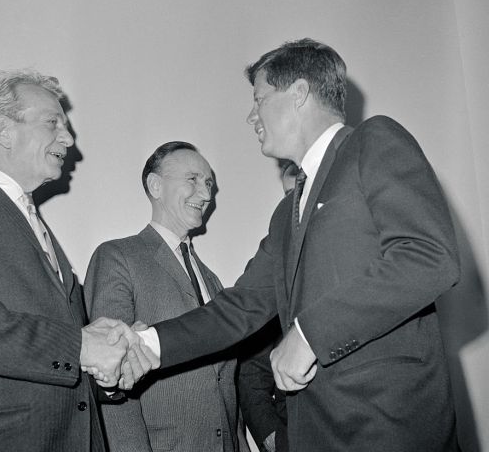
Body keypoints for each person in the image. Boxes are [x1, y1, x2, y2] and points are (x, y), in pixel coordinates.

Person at [107, 38, 460, 451]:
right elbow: (238, 308)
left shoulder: (373, 141)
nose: (251, 115)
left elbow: (428, 257)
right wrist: (145, 343)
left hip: (388, 426)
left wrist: (309, 334)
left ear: (298, 93)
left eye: (259, 99)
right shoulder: (285, 214)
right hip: (315, 432)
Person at [0, 69, 150, 452]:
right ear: (3, 130)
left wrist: (110, 362)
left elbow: (57, 353)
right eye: (53, 123)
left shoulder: (35, 224)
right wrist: (80, 345)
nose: (69, 139)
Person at [84, 141, 244, 452]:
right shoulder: (118, 257)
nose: (207, 194)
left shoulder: (211, 279)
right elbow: (113, 373)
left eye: (209, 183)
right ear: (155, 185)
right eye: (193, 179)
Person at [237, 160, 296, 452]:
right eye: (289, 195)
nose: (296, 203)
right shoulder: (270, 267)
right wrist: (273, 439)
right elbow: (252, 371)